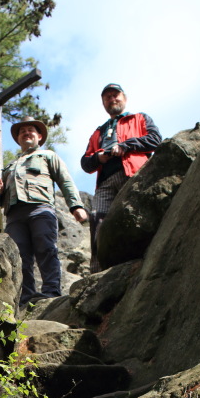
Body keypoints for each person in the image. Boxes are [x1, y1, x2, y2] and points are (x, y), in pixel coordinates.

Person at [0, 116, 87, 308]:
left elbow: (65, 180)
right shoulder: (9, 167)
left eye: (30, 130)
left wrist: (75, 206)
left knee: (46, 248)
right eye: (22, 131)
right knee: (19, 257)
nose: (26, 133)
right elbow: (0, 202)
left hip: (40, 208)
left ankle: (51, 292)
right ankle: (25, 297)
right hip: (14, 216)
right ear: (18, 139)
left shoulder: (47, 156)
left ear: (39, 136)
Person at [81, 84, 161, 272]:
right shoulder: (98, 132)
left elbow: (155, 139)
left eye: (115, 95)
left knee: (135, 215)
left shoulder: (139, 118)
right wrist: (98, 157)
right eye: (107, 97)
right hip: (105, 183)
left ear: (124, 98)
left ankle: (145, 259)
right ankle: (98, 271)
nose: (112, 99)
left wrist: (126, 145)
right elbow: (85, 162)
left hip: (133, 173)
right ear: (103, 104)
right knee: (97, 220)